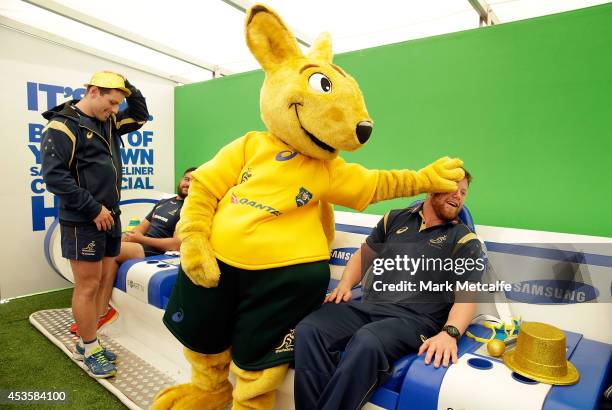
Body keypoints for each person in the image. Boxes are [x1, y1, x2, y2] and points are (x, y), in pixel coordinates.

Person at [294, 170, 486, 410]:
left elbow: (468, 295)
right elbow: (363, 255)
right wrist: (344, 285)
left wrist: (450, 333)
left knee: (367, 341)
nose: (458, 196)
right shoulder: (395, 219)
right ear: (432, 187)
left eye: (463, 193)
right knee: (310, 330)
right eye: (453, 188)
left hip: (415, 320)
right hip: (369, 305)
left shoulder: (464, 240)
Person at [41, 71, 148, 378]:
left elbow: (140, 115)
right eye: (112, 102)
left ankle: (88, 343)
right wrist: (92, 208)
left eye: (118, 104)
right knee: (87, 286)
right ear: (92, 92)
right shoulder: (63, 126)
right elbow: (54, 178)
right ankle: (89, 347)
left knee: (101, 280)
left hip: (110, 216)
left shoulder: (108, 121)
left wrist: (128, 84)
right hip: (83, 220)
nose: (116, 110)